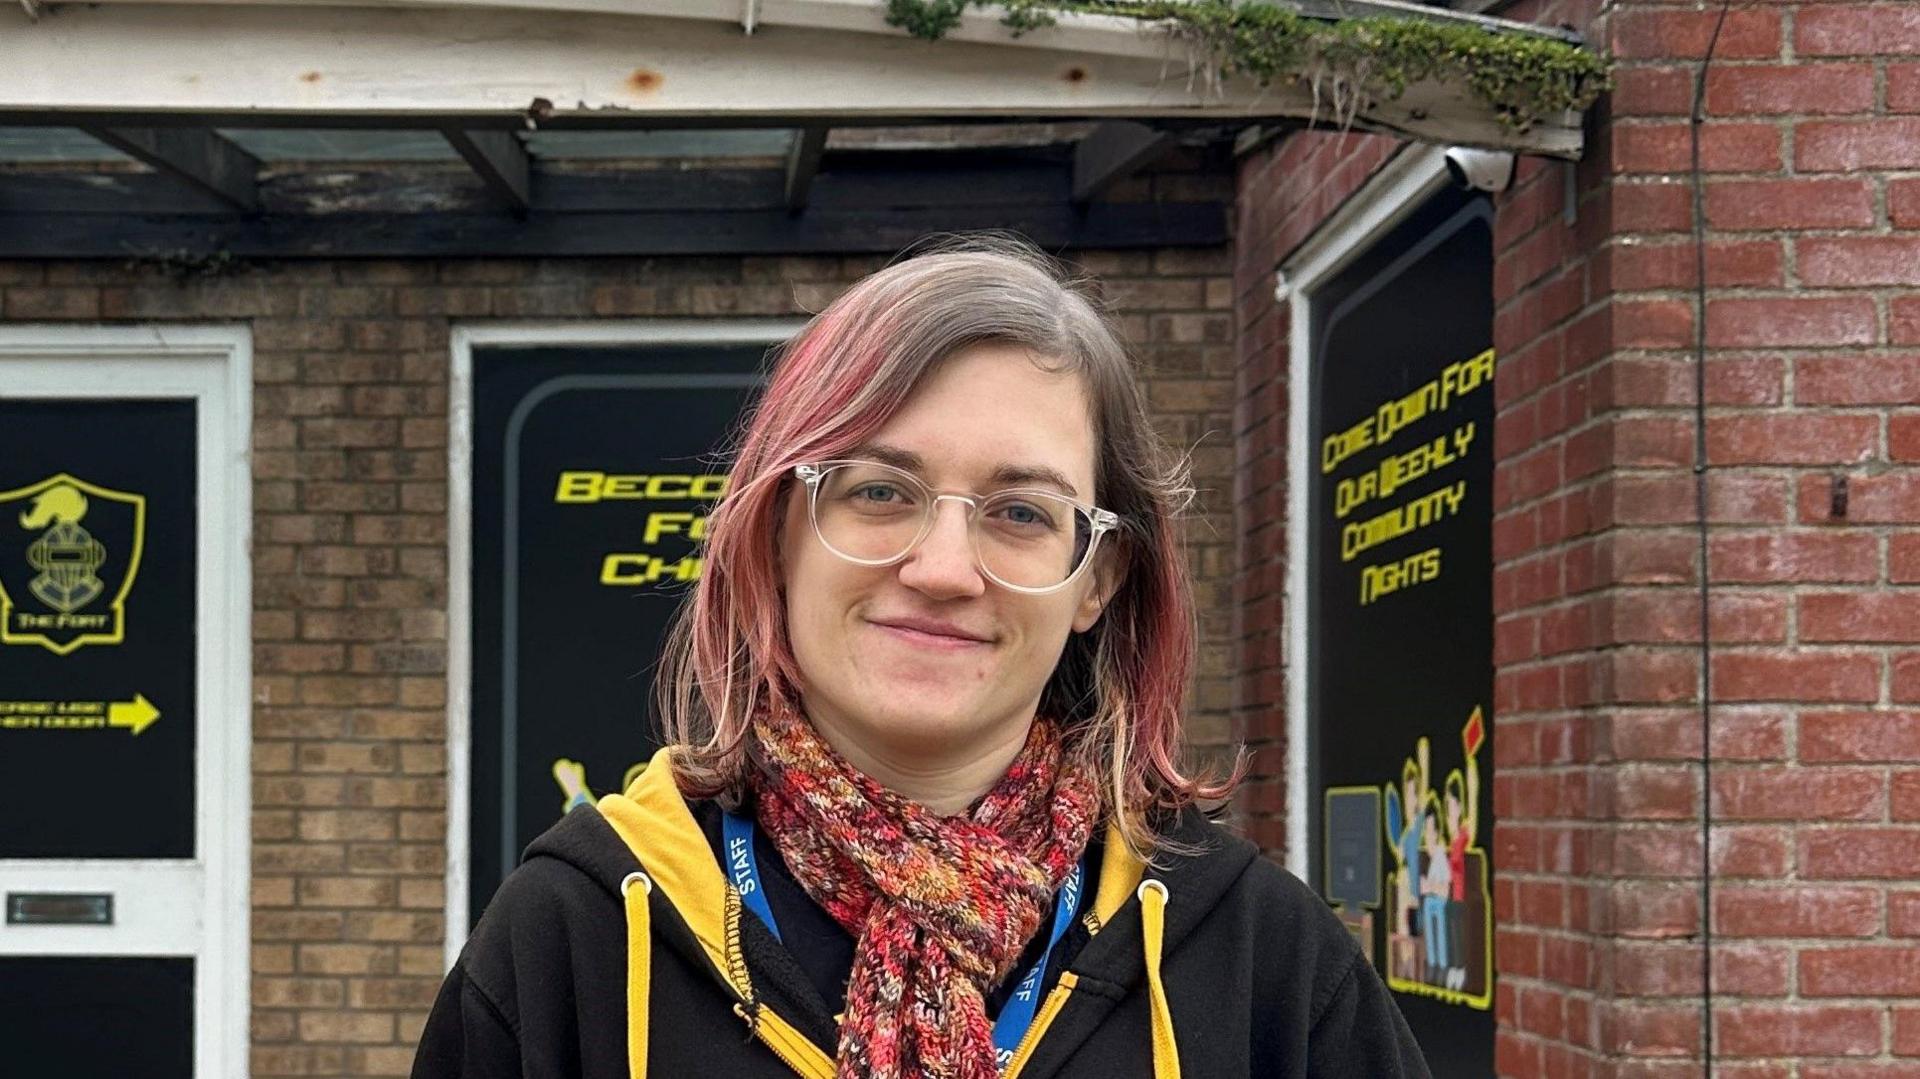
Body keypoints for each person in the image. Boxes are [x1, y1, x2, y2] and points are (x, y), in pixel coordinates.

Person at [411, 237, 1430, 1079]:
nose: (943, 567)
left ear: (1099, 578)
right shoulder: (572, 941)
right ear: (776, 533)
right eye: (879, 490)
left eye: (1021, 511)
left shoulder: (1262, 964)